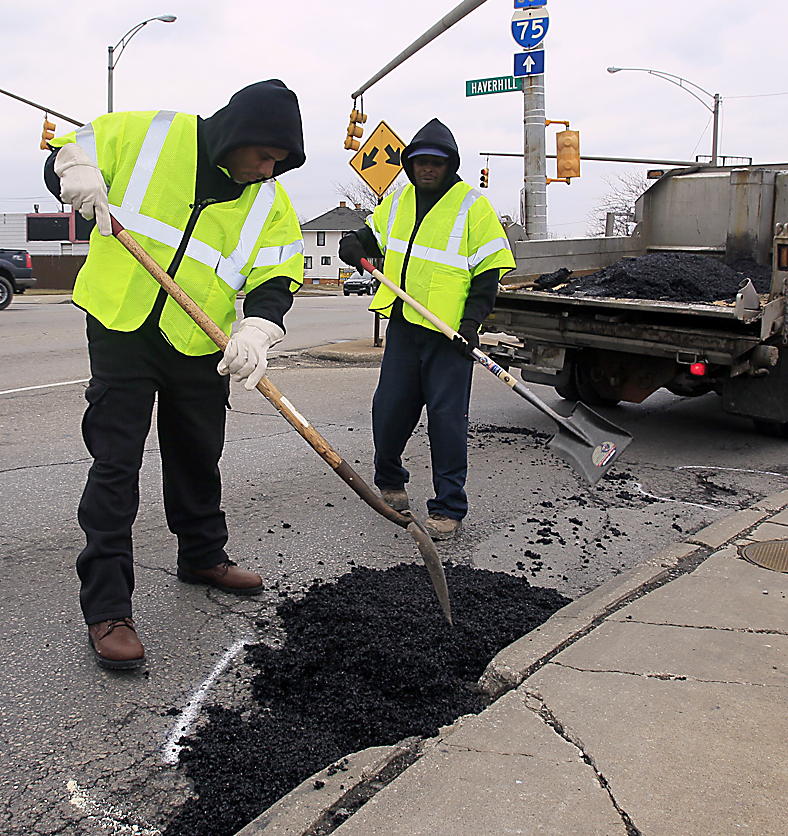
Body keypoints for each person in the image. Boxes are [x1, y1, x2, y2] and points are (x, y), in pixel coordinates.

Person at [44, 80, 306, 669]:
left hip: (197, 337)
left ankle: (202, 555)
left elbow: (277, 273)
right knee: (116, 464)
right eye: (265, 156)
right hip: (121, 325)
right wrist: (72, 174)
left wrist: (258, 329)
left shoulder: (267, 199)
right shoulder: (148, 134)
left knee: (197, 451)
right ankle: (108, 608)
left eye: (281, 163)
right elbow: (69, 151)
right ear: (239, 135)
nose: (269, 171)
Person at [339, 119, 514, 541]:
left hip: (449, 337)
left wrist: (472, 323)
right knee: (390, 410)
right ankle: (390, 480)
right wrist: (353, 243)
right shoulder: (398, 200)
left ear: (449, 165)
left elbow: (488, 273)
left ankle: (448, 507)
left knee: (447, 422)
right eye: (419, 162)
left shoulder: (473, 206)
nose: (427, 169)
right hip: (404, 326)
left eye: (436, 163)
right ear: (410, 164)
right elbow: (370, 237)